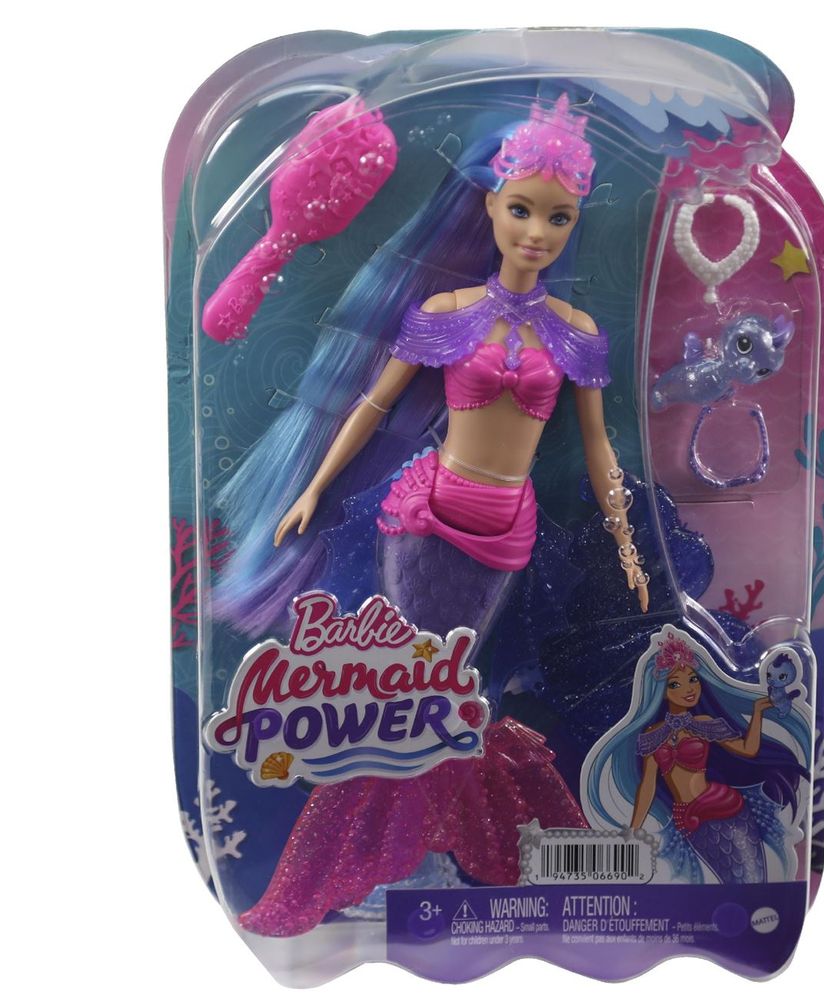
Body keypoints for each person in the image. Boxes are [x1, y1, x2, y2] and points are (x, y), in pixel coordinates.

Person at [211, 93, 650, 936]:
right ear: (489, 206)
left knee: (456, 689)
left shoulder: (575, 332)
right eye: (521, 209)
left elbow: (599, 447)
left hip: (507, 529)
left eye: (558, 217)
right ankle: (383, 856)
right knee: (421, 691)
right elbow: (373, 406)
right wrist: (313, 486)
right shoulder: (447, 316)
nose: (537, 232)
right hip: (426, 520)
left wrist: (626, 540)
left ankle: (434, 846)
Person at [584, 627, 809, 885]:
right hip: (686, 816)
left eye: (693, 679)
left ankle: (757, 905)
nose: (689, 689)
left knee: (748, 877)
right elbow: (647, 785)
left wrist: (757, 712)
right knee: (721, 879)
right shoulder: (653, 734)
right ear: (661, 690)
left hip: (725, 808)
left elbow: (748, 750)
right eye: (675, 684)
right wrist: (633, 829)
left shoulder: (702, 723)